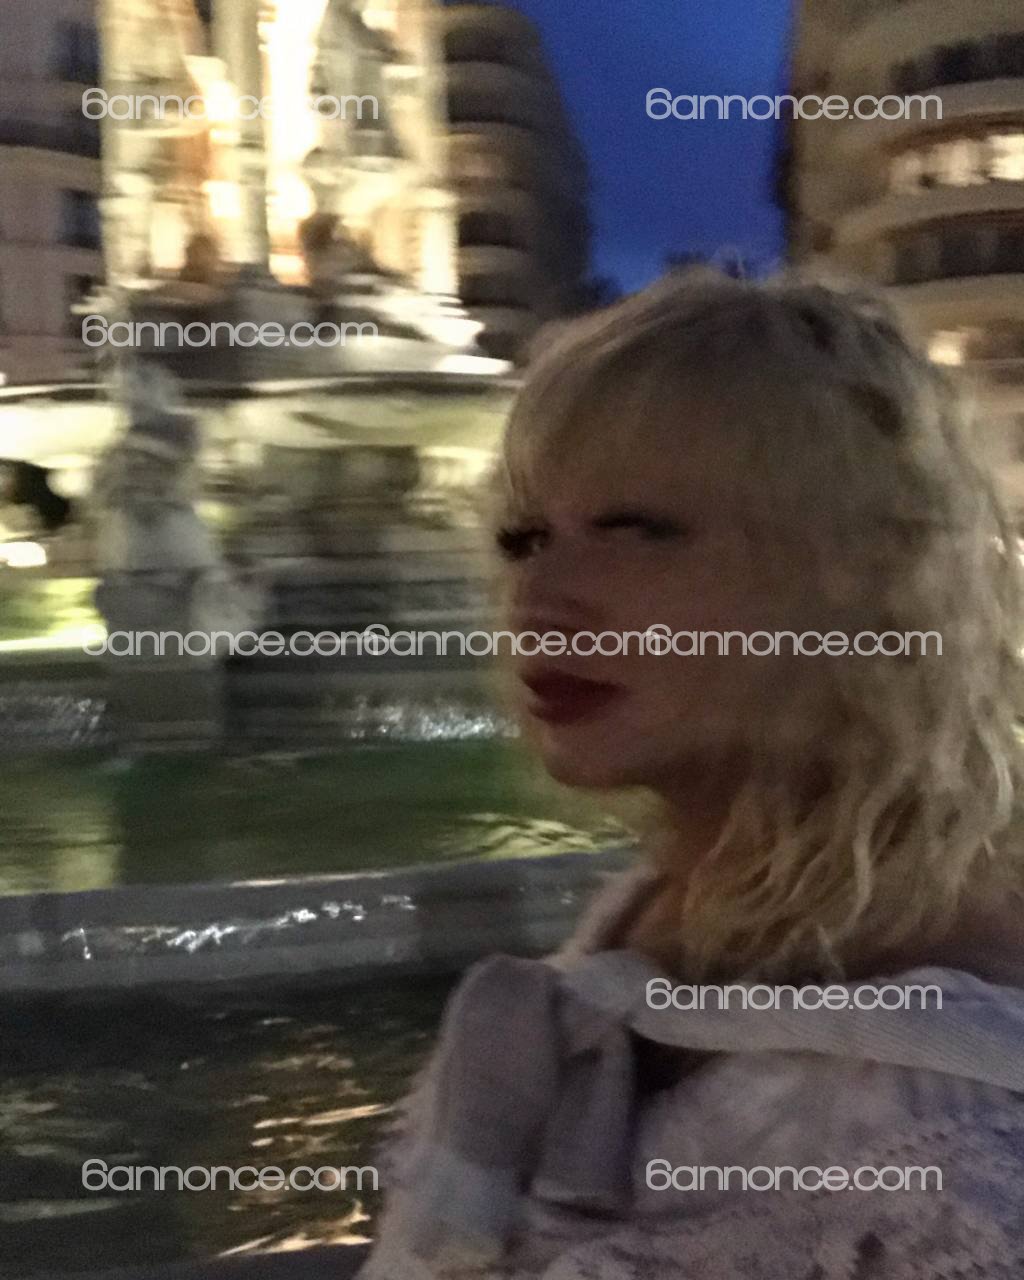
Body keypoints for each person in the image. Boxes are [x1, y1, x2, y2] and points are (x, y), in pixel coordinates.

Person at [358, 269, 1024, 1279]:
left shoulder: (959, 1132)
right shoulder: (646, 914)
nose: (538, 597)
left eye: (637, 532)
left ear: (863, 575)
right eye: (525, 539)